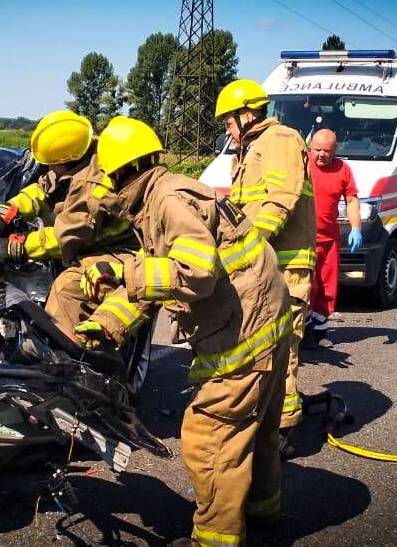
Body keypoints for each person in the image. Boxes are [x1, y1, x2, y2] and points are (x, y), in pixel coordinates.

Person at [76, 116, 291, 546]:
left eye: (106, 180)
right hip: (267, 315)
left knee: (210, 437)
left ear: (121, 173)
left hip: (244, 330)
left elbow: (194, 273)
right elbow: (157, 276)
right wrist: (107, 322)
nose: (106, 192)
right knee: (256, 428)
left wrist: (120, 267)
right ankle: (261, 510)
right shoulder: (160, 194)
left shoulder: (168, 201)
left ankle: (214, 538)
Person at [215, 78, 316, 442]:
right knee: (257, 345)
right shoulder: (248, 149)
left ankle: (282, 432)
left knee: (281, 347)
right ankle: (262, 422)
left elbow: (280, 199)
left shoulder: (280, 139)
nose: (228, 130)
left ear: (246, 114)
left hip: (287, 267)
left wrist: (249, 244)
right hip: (262, 265)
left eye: (229, 122)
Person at [0, 110, 139, 340]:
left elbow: (67, 237)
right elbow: (42, 189)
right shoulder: (79, 156)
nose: (49, 169)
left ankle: (66, 359)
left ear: (69, 160)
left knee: (66, 288)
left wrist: (17, 247)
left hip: (118, 250)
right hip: (88, 239)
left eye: (52, 165)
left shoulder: (95, 186)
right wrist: (8, 211)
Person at [306, 129, 362, 347]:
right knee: (307, 286)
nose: (321, 154)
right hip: (304, 238)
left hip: (329, 239)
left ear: (335, 150)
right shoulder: (302, 165)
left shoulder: (343, 169)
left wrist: (356, 227)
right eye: (317, 149)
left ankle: (320, 331)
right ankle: (303, 329)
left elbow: (352, 201)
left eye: (326, 151)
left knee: (327, 287)